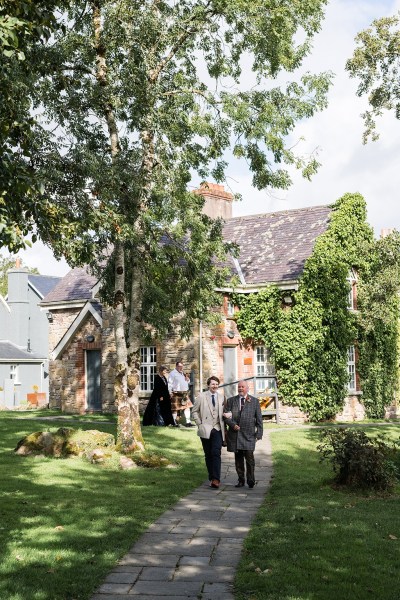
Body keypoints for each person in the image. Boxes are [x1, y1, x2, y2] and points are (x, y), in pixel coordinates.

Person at [224, 380, 263, 489]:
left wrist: (258, 434)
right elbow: (225, 417)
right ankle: (241, 480)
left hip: (249, 436)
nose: (240, 388)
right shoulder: (231, 401)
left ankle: (251, 480)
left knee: (250, 459)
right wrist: (232, 425)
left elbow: (259, 419)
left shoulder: (254, 401)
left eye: (242, 387)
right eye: (239, 387)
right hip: (236, 435)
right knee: (238, 459)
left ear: (247, 388)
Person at [192, 375, 226, 489]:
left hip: (217, 428)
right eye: (213, 384)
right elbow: (194, 411)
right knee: (208, 454)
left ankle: (216, 479)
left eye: (216, 384)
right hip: (205, 429)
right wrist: (199, 423)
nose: (215, 386)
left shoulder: (221, 397)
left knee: (216, 452)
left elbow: (225, 411)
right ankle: (211, 477)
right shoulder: (201, 396)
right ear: (208, 385)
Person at [168, 359, 194, 427]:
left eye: (182, 366)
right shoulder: (172, 373)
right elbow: (170, 383)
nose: (181, 368)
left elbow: (187, 381)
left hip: (184, 393)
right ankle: (174, 423)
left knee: (187, 407)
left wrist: (188, 380)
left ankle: (188, 422)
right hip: (176, 393)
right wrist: (170, 392)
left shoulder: (183, 373)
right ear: (176, 366)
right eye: (179, 366)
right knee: (175, 409)